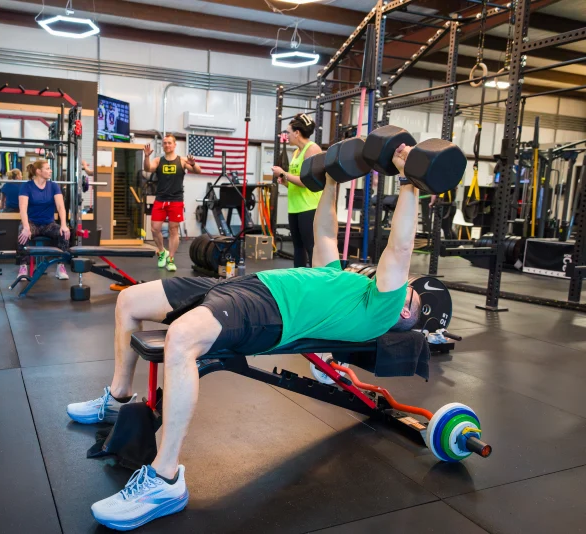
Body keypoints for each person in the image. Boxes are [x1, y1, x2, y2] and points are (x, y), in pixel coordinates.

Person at [69, 143, 423, 531]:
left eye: (409, 291)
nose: (404, 285)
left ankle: (164, 480)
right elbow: (324, 233)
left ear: (404, 311)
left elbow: (400, 248)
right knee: (130, 301)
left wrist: (410, 181)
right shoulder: (341, 278)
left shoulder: (382, 309)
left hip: (270, 312)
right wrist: (332, 179)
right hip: (244, 286)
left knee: (182, 338)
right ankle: (118, 398)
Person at [271, 113, 323, 267]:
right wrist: (285, 182)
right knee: (298, 248)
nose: (286, 136)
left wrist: (283, 173)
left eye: (288, 132)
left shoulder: (312, 149)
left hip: (309, 206)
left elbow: (307, 182)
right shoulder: (295, 152)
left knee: (311, 247)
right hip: (295, 207)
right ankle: (299, 278)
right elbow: (295, 181)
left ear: (297, 133)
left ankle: (316, 278)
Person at [143, 135, 201, 272]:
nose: (167, 145)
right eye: (165, 143)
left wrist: (193, 163)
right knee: (154, 229)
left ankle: (171, 259)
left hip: (176, 200)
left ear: (174, 145)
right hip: (160, 200)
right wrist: (146, 157)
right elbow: (148, 168)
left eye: (169, 143)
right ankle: (162, 251)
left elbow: (198, 171)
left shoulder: (182, 160)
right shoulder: (158, 160)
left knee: (173, 230)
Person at [17, 160, 71, 279]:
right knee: (22, 232)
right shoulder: (27, 186)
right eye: (47, 168)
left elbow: (61, 207)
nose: (50, 171)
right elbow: (23, 208)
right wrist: (26, 227)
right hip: (32, 223)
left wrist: (63, 225)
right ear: (38, 171)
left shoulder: (53, 186)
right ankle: (23, 267)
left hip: (48, 224)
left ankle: (60, 266)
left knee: (64, 233)